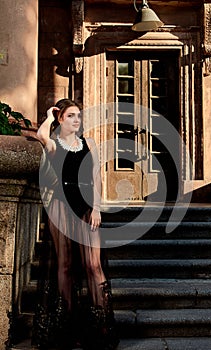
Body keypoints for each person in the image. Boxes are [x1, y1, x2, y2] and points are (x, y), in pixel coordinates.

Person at [32, 98, 119, 350]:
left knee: (93, 265)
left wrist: (97, 208)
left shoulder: (89, 143)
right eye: (70, 115)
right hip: (60, 206)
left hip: (85, 208)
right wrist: (50, 115)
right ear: (61, 119)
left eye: (78, 115)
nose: (76, 120)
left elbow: (96, 177)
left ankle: (102, 326)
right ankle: (66, 326)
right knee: (65, 266)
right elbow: (40, 134)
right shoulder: (53, 144)